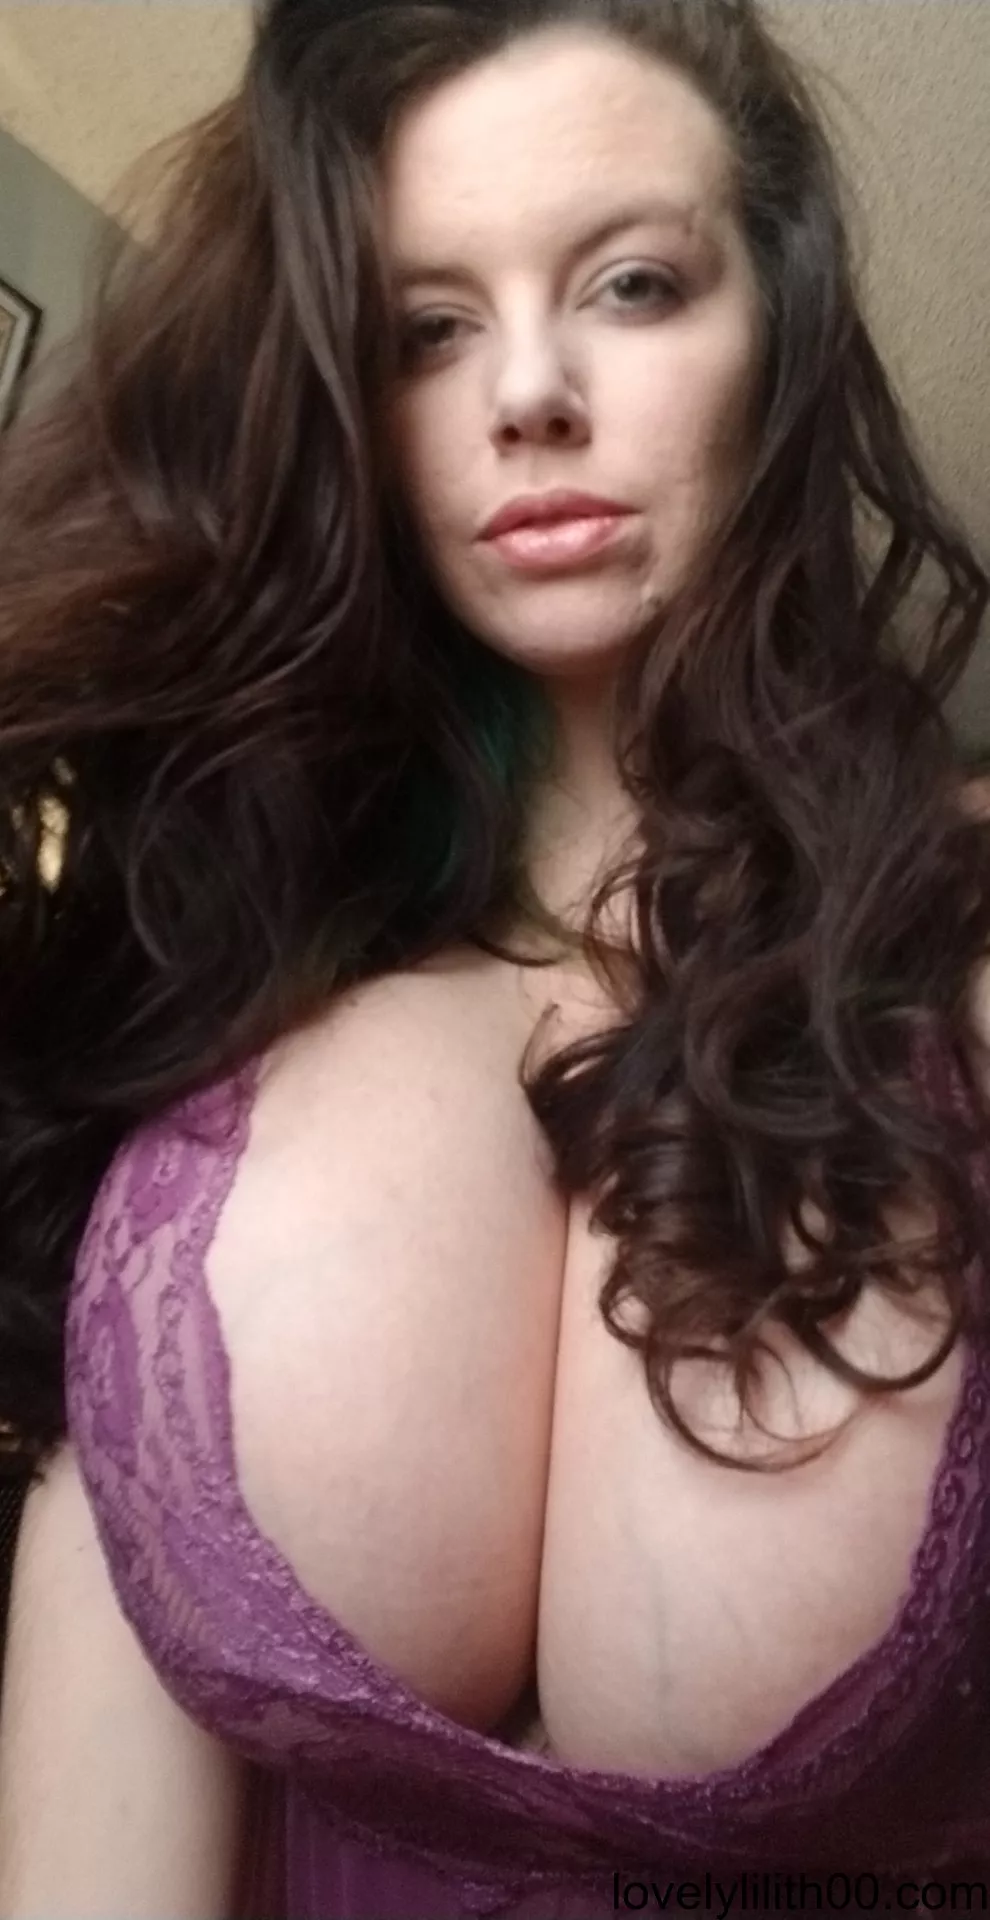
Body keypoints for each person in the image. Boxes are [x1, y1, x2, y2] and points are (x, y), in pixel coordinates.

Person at [0, 0, 988, 1912]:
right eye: (426, 328)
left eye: (631, 284)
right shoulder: (218, 1004)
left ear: (776, 335)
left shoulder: (955, 946)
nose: (527, 391)